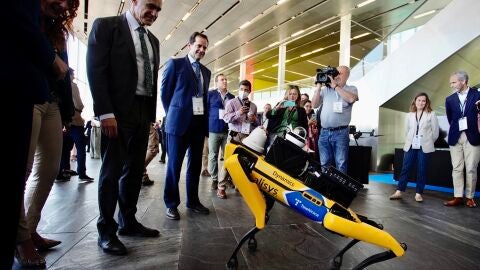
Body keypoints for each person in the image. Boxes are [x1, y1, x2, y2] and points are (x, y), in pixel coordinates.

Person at [87, 0, 163, 255]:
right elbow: (96, 71)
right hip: (117, 113)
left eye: (158, 10)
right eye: (150, 6)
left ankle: (127, 222)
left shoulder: (153, 40)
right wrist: (105, 112)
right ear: (134, 2)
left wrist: (150, 116)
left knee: (133, 171)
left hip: (142, 112)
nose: (154, 13)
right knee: (111, 171)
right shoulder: (107, 27)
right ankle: (105, 231)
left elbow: (150, 79)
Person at [2, 0, 66, 267]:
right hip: (25, 95)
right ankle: (21, 239)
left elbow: (66, 70)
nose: (62, 4)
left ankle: (30, 227)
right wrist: (50, 57)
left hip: (50, 98)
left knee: (49, 169)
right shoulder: (23, 14)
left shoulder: (56, 28)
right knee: (20, 171)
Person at [161, 32, 211, 220]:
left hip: (198, 124)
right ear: (189, 45)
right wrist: (175, 112)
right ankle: (171, 204)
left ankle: (193, 201)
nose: (201, 49)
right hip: (178, 124)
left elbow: (204, 98)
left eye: (205, 47)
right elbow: (165, 94)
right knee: (174, 165)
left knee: (195, 165)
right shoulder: (175, 64)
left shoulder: (206, 72)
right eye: (199, 45)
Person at [389, 93, 439, 202]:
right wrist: (411, 140)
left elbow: (435, 133)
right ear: (415, 101)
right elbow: (407, 131)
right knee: (405, 168)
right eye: (419, 100)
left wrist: (427, 142)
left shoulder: (431, 114)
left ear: (427, 103)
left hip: (424, 145)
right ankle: (399, 191)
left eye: (423, 101)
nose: (421, 102)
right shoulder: (409, 115)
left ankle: (418, 193)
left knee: (422, 169)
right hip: (411, 144)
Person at [311, 66, 358, 174]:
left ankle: (339, 190)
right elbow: (314, 104)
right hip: (324, 132)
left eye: (340, 73)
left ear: (347, 76)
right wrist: (318, 87)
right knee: (324, 163)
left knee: (341, 163)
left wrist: (335, 86)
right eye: (335, 73)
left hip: (341, 133)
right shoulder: (326, 90)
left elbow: (351, 99)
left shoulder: (351, 88)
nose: (336, 75)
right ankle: (327, 189)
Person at [443, 71, 480, 208]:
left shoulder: (478, 95)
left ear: (463, 81)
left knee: (471, 168)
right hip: (455, 136)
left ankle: (470, 197)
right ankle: (458, 196)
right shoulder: (450, 99)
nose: (451, 85)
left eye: (453, 82)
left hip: (474, 136)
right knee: (457, 168)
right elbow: (450, 118)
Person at [222, 80, 258, 198]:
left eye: (246, 90)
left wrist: (253, 119)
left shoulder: (253, 106)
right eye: (242, 89)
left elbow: (257, 122)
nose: (244, 92)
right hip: (234, 135)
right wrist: (239, 112)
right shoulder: (231, 102)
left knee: (243, 163)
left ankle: (239, 185)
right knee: (228, 161)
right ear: (238, 89)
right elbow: (226, 118)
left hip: (247, 136)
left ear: (250, 91)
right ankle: (221, 187)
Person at [207, 74, 234, 191]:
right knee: (213, 155)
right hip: (213, 129)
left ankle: (225, 178)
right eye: (222, 80)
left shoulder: (232, 97)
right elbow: (206, 110)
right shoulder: (211, 94)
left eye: (225, 79)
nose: (225, 81)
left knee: (228, 156)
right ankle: (214, 179)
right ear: (216, 82)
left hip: (227, 130)